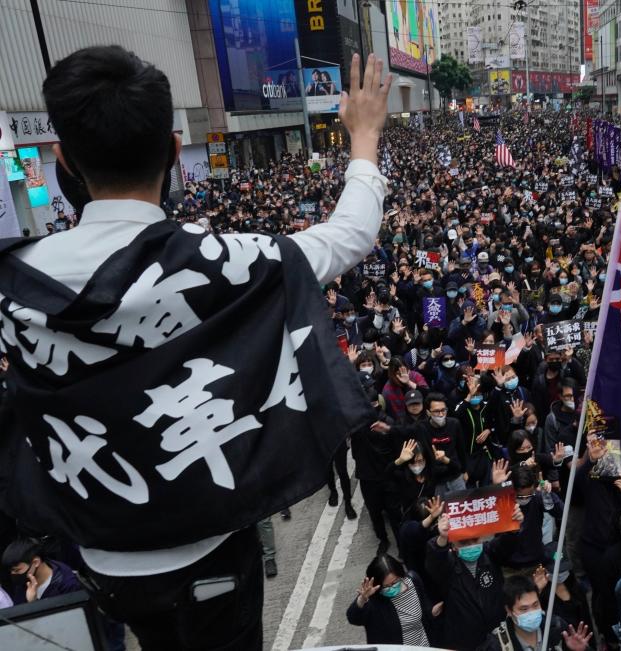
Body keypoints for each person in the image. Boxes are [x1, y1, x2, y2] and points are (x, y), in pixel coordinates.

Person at [0, 47, 392, 649]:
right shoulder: (230, 261)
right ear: (171, 149)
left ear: (63, 161)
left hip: (102, 557)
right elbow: (351, 233)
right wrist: (363, 137)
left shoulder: (13, 284)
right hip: (213, 551)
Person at [425, 506, 524, 650]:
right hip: (465, 639)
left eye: (475, 540)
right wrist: (442, 538)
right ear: (452, 544)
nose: (471, 546)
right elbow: (434, 560)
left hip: (497, 633)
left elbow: (507, 544)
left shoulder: (490, 553)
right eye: (463, 543)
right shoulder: (446, 565)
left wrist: (514, 527)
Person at [478, 575, 593, 651]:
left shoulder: (556, 626)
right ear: (509, 610)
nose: (532, 612)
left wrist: (580, 650)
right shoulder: (497, 645)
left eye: (535, 605)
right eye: (524, 609)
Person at [346, 553, 440, 645]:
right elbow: (353, 618)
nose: (392, 588)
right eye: (386, 586)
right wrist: (362, 599)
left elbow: (424, 605)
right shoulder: (372, 600)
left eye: (395, 582)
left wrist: (432, 611)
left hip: (422, 644)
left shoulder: (413, 580)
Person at [2, 540, 82, 604]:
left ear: (36, 562)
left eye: (17, 570)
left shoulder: (68, 585)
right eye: (11, 571)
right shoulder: (23, 581)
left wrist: (33, 604)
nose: (13, 574)